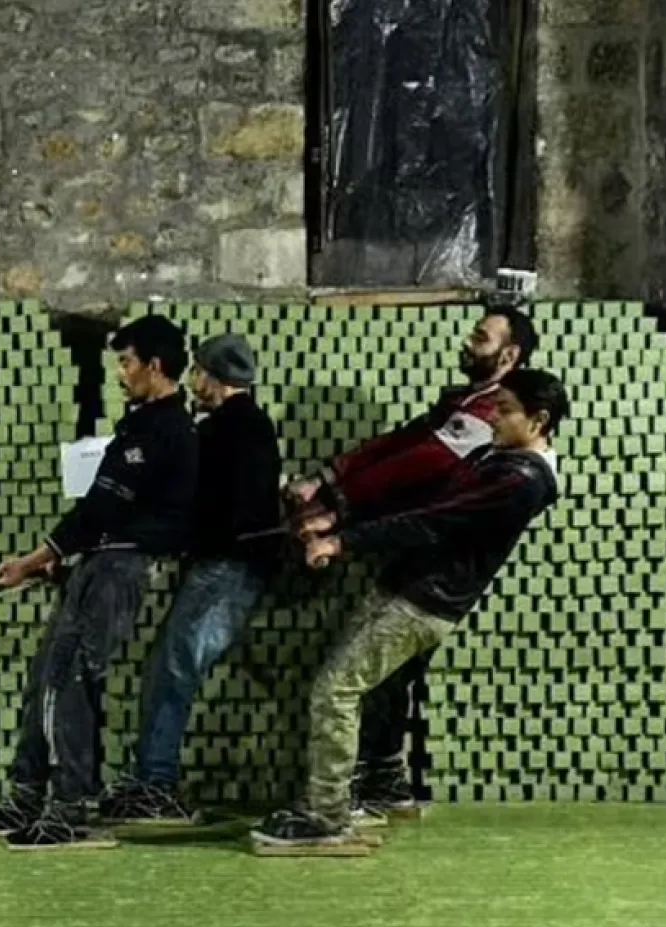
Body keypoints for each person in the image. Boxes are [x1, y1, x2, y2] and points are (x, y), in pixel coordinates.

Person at [253, 368, 567, 848]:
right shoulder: (495, 457)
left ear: (539, 419)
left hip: (423, 603)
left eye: (505, 410)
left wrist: (341, 541)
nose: (493, 418)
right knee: (347, 688)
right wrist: (335, 517)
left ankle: (325, 816)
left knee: (335, 690)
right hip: (404, 585)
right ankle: (340, 800)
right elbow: (421, 497)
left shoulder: (520, 481)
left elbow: (433, 522)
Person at [286, 305, 538, 817]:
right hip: (410, 566)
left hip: (427, 586)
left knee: (339, 687)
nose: (469, 342)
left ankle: (326, 813)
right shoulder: (466, 402)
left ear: (510, 356)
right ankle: (383, 780)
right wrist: (332, 477)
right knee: (386, 681)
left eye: (481, 337)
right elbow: (403, 442)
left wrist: (338, 519)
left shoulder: (496, 435)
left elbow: (420, 475)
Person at [0, 314, 198, 850]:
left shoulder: (164, 430)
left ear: (153, 366)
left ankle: (70, 808)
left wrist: (33, 558)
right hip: (100, 564)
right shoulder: (145, 424)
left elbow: (102, 508)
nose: (121, 372)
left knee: (69, 680)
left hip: (120, 571)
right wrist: (64, 561)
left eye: (127, 361)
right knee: (48, 675)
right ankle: (28, 794)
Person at [98, 334, 281, 823]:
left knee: (174, 669)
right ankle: (150, 780)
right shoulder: (248, 426)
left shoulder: (229, 430)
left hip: (227, 568)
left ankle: (156, 785)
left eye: (199, 372)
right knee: (170, 667)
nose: (193, 381)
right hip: (229, 566)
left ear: (212, 377)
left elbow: (212, 505)